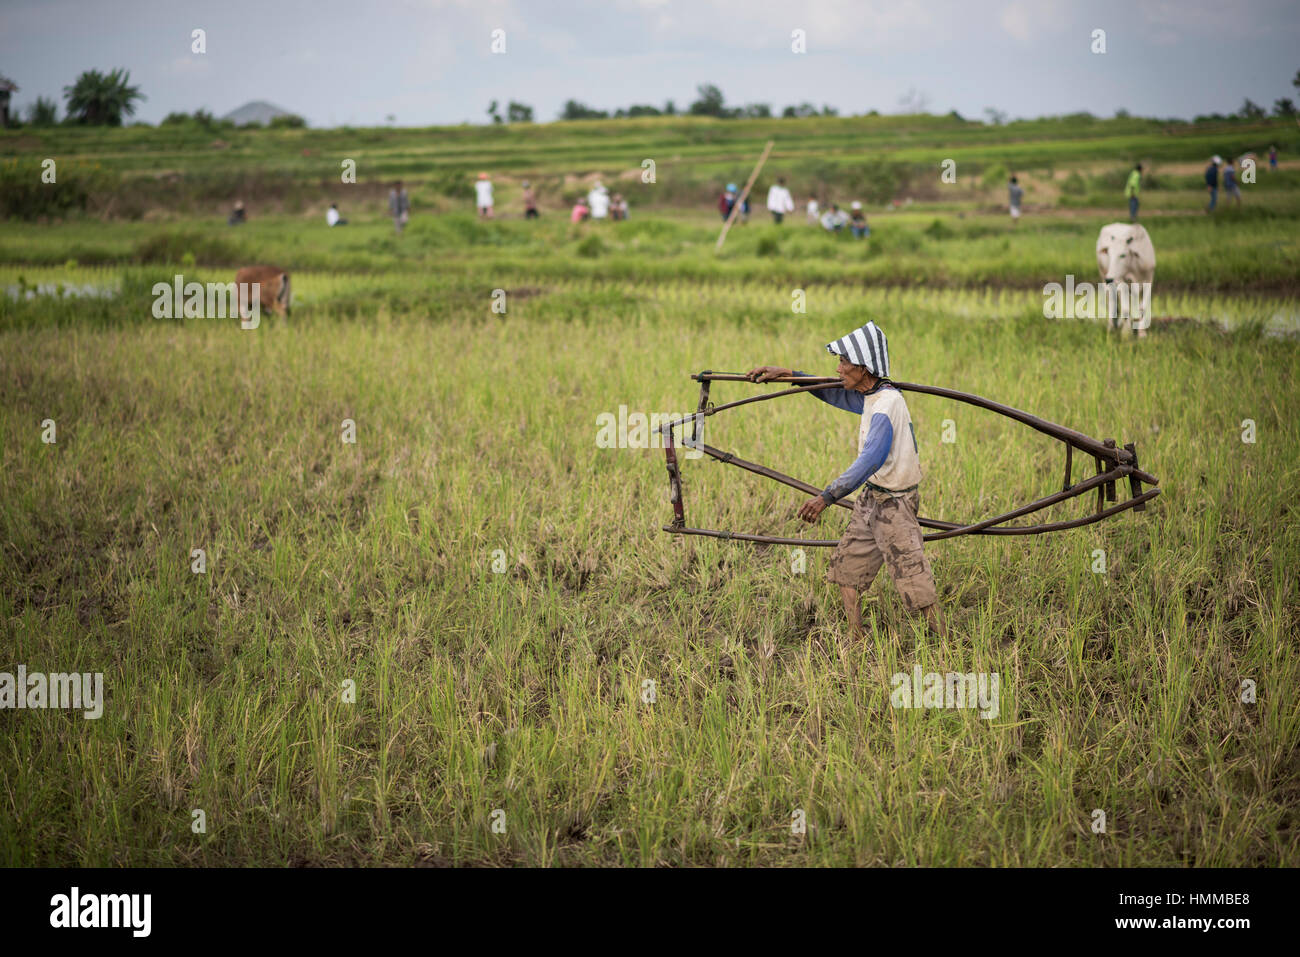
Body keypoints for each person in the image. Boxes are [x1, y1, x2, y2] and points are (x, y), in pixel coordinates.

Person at [745, 321, 945, 640]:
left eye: (844, 362)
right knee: (847, 571)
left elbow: (869, 461)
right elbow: (831, 393)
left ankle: (945, 642)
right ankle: (855, 635)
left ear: (864, 368)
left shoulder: (886, 405)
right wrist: (788, 375)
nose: (838, 369)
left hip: (895, 504)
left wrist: (826, 497)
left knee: (913, 578)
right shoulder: (870, 395)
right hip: (871, 498)